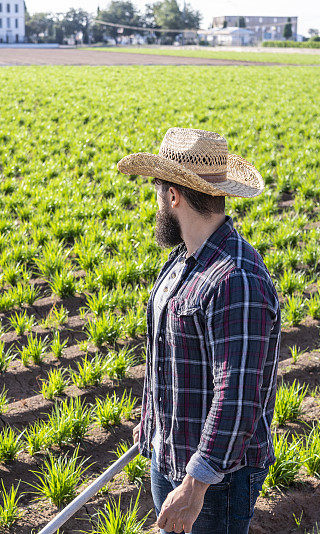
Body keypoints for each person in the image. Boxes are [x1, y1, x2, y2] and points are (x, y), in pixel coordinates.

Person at [117, 127, 282, 534]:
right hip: (168, 456)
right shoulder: (181, 262)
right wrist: (151, 421)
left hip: (215, 481)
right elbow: (169, 353)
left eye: (157, 190)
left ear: (173, 195)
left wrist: (194, 487)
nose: (156, 201)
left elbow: (238, 398)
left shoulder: (235, 280)